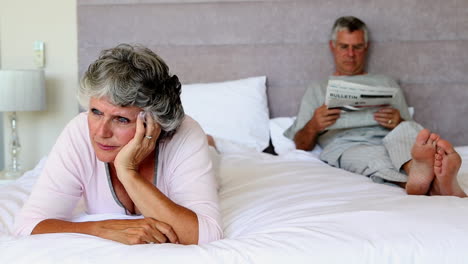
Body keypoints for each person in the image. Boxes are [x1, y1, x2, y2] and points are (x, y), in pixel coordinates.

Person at [14, 44, 223, 244]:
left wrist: (127, 171)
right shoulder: (79, 131)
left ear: (153, 123)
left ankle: (211, 143)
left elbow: (204, 235)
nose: (100, 132)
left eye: (121, 119)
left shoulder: (186, 134)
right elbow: (28, 226)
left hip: (193, 147)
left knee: (211, 155)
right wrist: (100, 229)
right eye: (96, 112)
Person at [284, 16, 466, 197]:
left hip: (390, 137)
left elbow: (409, 130)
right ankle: (430, 185)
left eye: (357, 47)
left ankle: (416, 169)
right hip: (347, 143)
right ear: (333, 47)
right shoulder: (318, 88)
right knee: (373, 156)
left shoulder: (386, 82)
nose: (350, 54)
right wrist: (314, 124)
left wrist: (398, 121)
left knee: (407, 129)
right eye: (344, 47)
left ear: (366, 47)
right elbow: (300, 144)